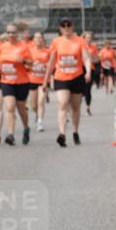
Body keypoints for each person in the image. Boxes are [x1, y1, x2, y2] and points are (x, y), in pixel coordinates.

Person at [43, 17, 91, 146]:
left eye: (68, 25)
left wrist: (88, 72)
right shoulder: (56, 41)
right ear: (60, 28)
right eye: (63, 25)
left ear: (72, 26)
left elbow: (86, 58)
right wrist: (45, 80)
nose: (66, 28)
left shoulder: (80, 41)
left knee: (75, 107)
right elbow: (51, 62)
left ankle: (75, 132)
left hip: (77, 77)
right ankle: (62, 134)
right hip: (61, 77)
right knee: (63, 103)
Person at [0, 23, 33, 145]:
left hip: (21, 81)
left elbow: (31, 63)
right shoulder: (2, 47)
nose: (11, 35)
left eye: (13, 32)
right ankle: (10, 135)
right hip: (6, 81)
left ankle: (26, 128)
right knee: (10, 107)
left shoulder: (23, 46)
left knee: (21, 108)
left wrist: (23, 61)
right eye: (9, 32)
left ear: (17, 33)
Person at [28, 32, 50, 131]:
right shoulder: (29, 51)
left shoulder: (47, 51)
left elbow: (51, 65)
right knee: (33, 105)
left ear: (42, 39)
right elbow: (25, 65)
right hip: (32, 79)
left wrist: (46, 65)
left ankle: (40, 122)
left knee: (41, 101)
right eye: (36, 37)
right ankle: (37, 114)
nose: (38, 39)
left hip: (43, 80)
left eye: (40, 37)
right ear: (33, 40)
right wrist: (31, 65)